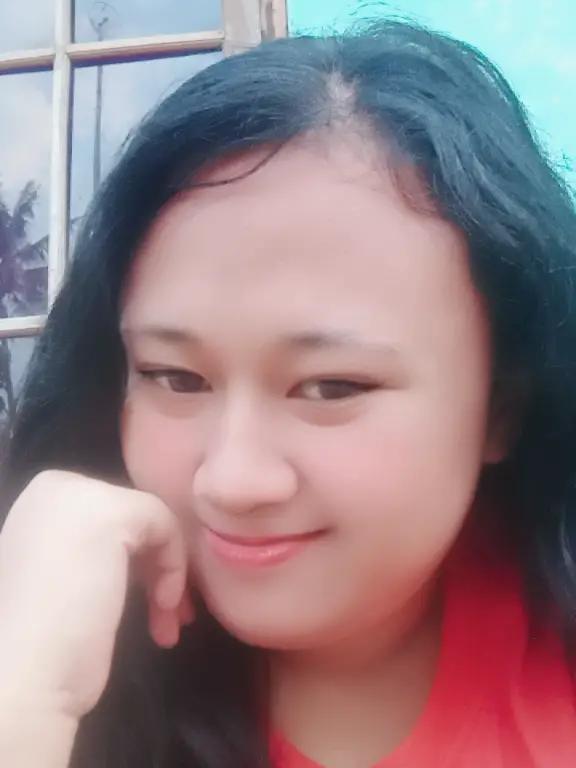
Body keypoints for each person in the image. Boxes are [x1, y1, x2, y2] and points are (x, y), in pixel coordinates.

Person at [1, 18, 576, 768]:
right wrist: (24, 689)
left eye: (331, 387)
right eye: (175, 376)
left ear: (501, 406)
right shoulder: (44, 639)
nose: (232, 483)